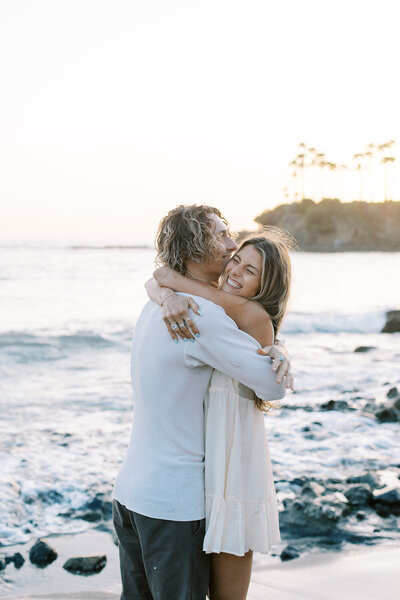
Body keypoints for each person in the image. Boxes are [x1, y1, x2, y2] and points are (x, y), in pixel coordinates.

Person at [112, 205, 290, 600]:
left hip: (129, 494)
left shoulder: (158, 304)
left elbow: (160, 281)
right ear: (196, 250)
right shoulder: (201, 316)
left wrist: (163, 286)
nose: (230, 247)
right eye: (222, 237)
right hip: (172, 505)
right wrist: (277, 350)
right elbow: (272, 387)